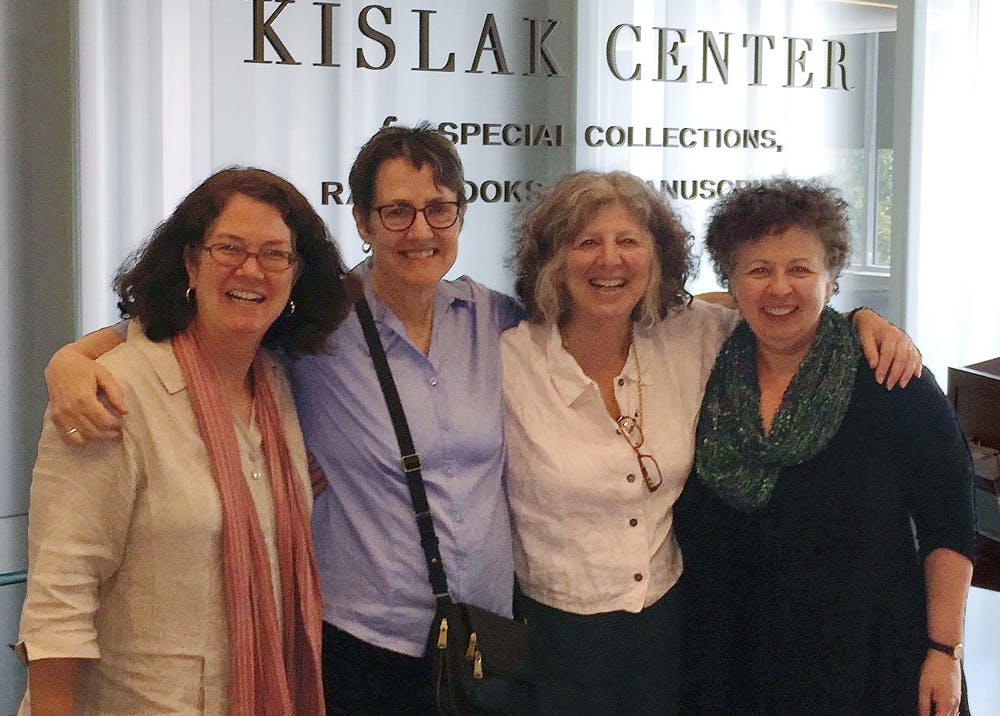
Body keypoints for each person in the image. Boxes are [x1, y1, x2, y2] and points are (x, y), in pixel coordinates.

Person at [39, 130, 918, 714]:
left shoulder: (494, 321)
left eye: (439, 208)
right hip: (367, 640)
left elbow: (734, 302)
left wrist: (853, 319)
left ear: (461, 214)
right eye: (397, 211)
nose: (419, 229)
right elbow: (211, 323)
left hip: (492, 639)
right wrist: (75, 358)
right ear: (363, 221)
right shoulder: (320, 329)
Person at [500, 170, 924, 715]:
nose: (610, 260)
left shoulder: (690, 334)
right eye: (587, 242)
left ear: (657, 258)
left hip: (670, 629)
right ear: (553, 260)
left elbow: (777, 307)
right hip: (552, 638)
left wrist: (864, 319)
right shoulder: (509, 360)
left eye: (629, 241)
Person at [16, 167, 355, 714]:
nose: (252, 269)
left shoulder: (277, 390)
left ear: (295, 276)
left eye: (274, 254)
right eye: (229, 248)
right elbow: (59, 603)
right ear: (190, 262)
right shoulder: (113, 392)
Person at [675, 178, 976, 716]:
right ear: (731, 280)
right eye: (758, 270)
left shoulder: (892, 377)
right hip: (734, 662)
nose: (779, 288)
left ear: (832, 278)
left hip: (870, 662)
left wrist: (943, 651)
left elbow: (948, 524)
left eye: (800, 269)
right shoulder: (706, 367)